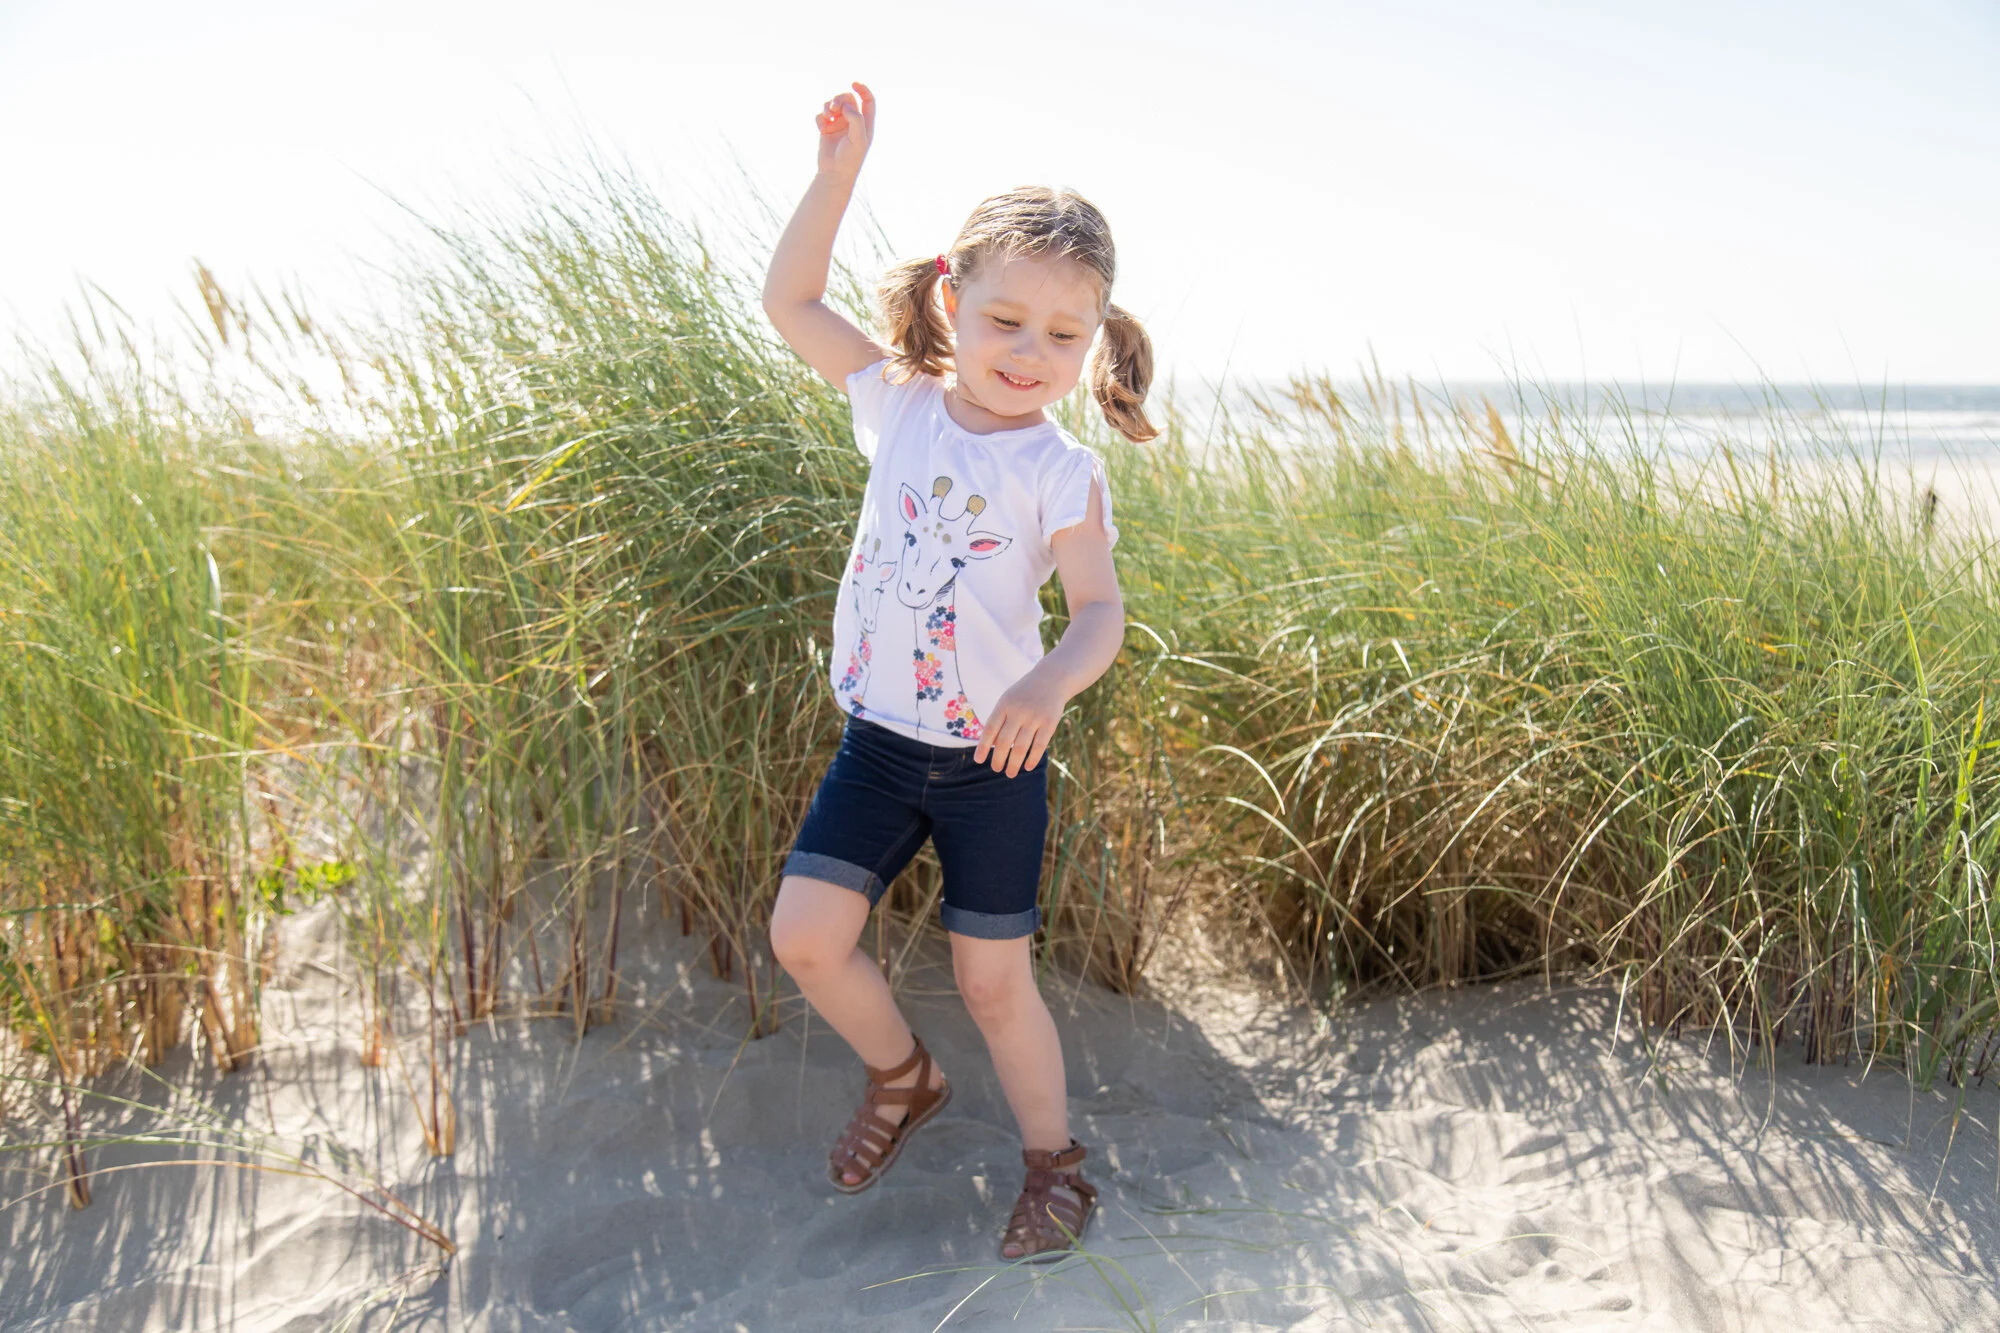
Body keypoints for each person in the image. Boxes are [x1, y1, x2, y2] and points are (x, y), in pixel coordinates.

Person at [760, 80, 1157, 1262]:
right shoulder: (896, 404)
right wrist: (837, 177)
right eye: (1005, 321)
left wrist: (1045, 688)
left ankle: (1053, 1163)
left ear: (1091, 341)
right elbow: (788, 298)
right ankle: (902, 1077)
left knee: (995, 982)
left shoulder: (1060, 470)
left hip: (994, 760)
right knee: (806, 937)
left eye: (1062, 334)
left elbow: (1098, 612)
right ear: (953, 299)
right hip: (881, 745)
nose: (1030, 353)